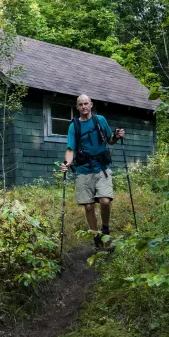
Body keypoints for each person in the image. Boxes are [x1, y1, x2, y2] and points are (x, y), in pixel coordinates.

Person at [60, 94, 125, 249]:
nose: (84, 107)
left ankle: (106, 228)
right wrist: (67, 163)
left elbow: (110, 140)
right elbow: (70, 149)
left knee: (104, 200)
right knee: (88, 206)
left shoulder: (100, 120)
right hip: (83, 169)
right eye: (80, 104)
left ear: (91, 104)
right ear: (77, 107)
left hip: (102, 167)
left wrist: (116, 136)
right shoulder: (74, 126)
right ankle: (97, 237)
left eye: (86, 103)